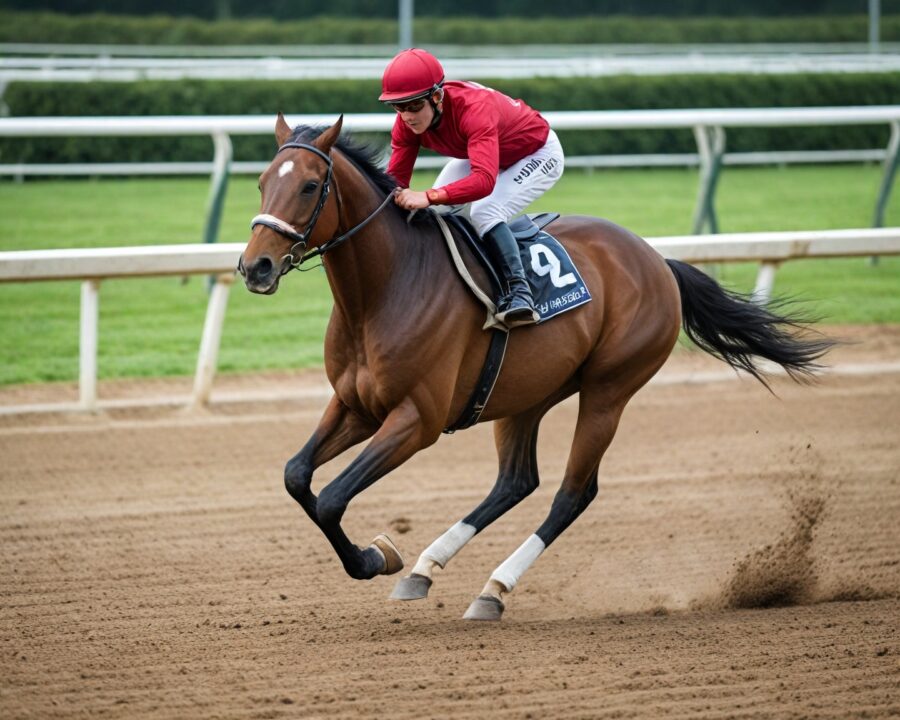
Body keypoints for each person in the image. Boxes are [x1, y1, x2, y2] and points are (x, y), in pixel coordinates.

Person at [380, 48, 564, 327]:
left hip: (536, 154)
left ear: (437, 97)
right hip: (490, 154)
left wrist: (428, 196)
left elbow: (484, 181)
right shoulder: (406, 123)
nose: (406, 115)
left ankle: (520, 293)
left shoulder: (474, 109)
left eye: (414, 106)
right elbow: (393, 183)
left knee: (485, 211)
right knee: (439, 213)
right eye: (398, 106)